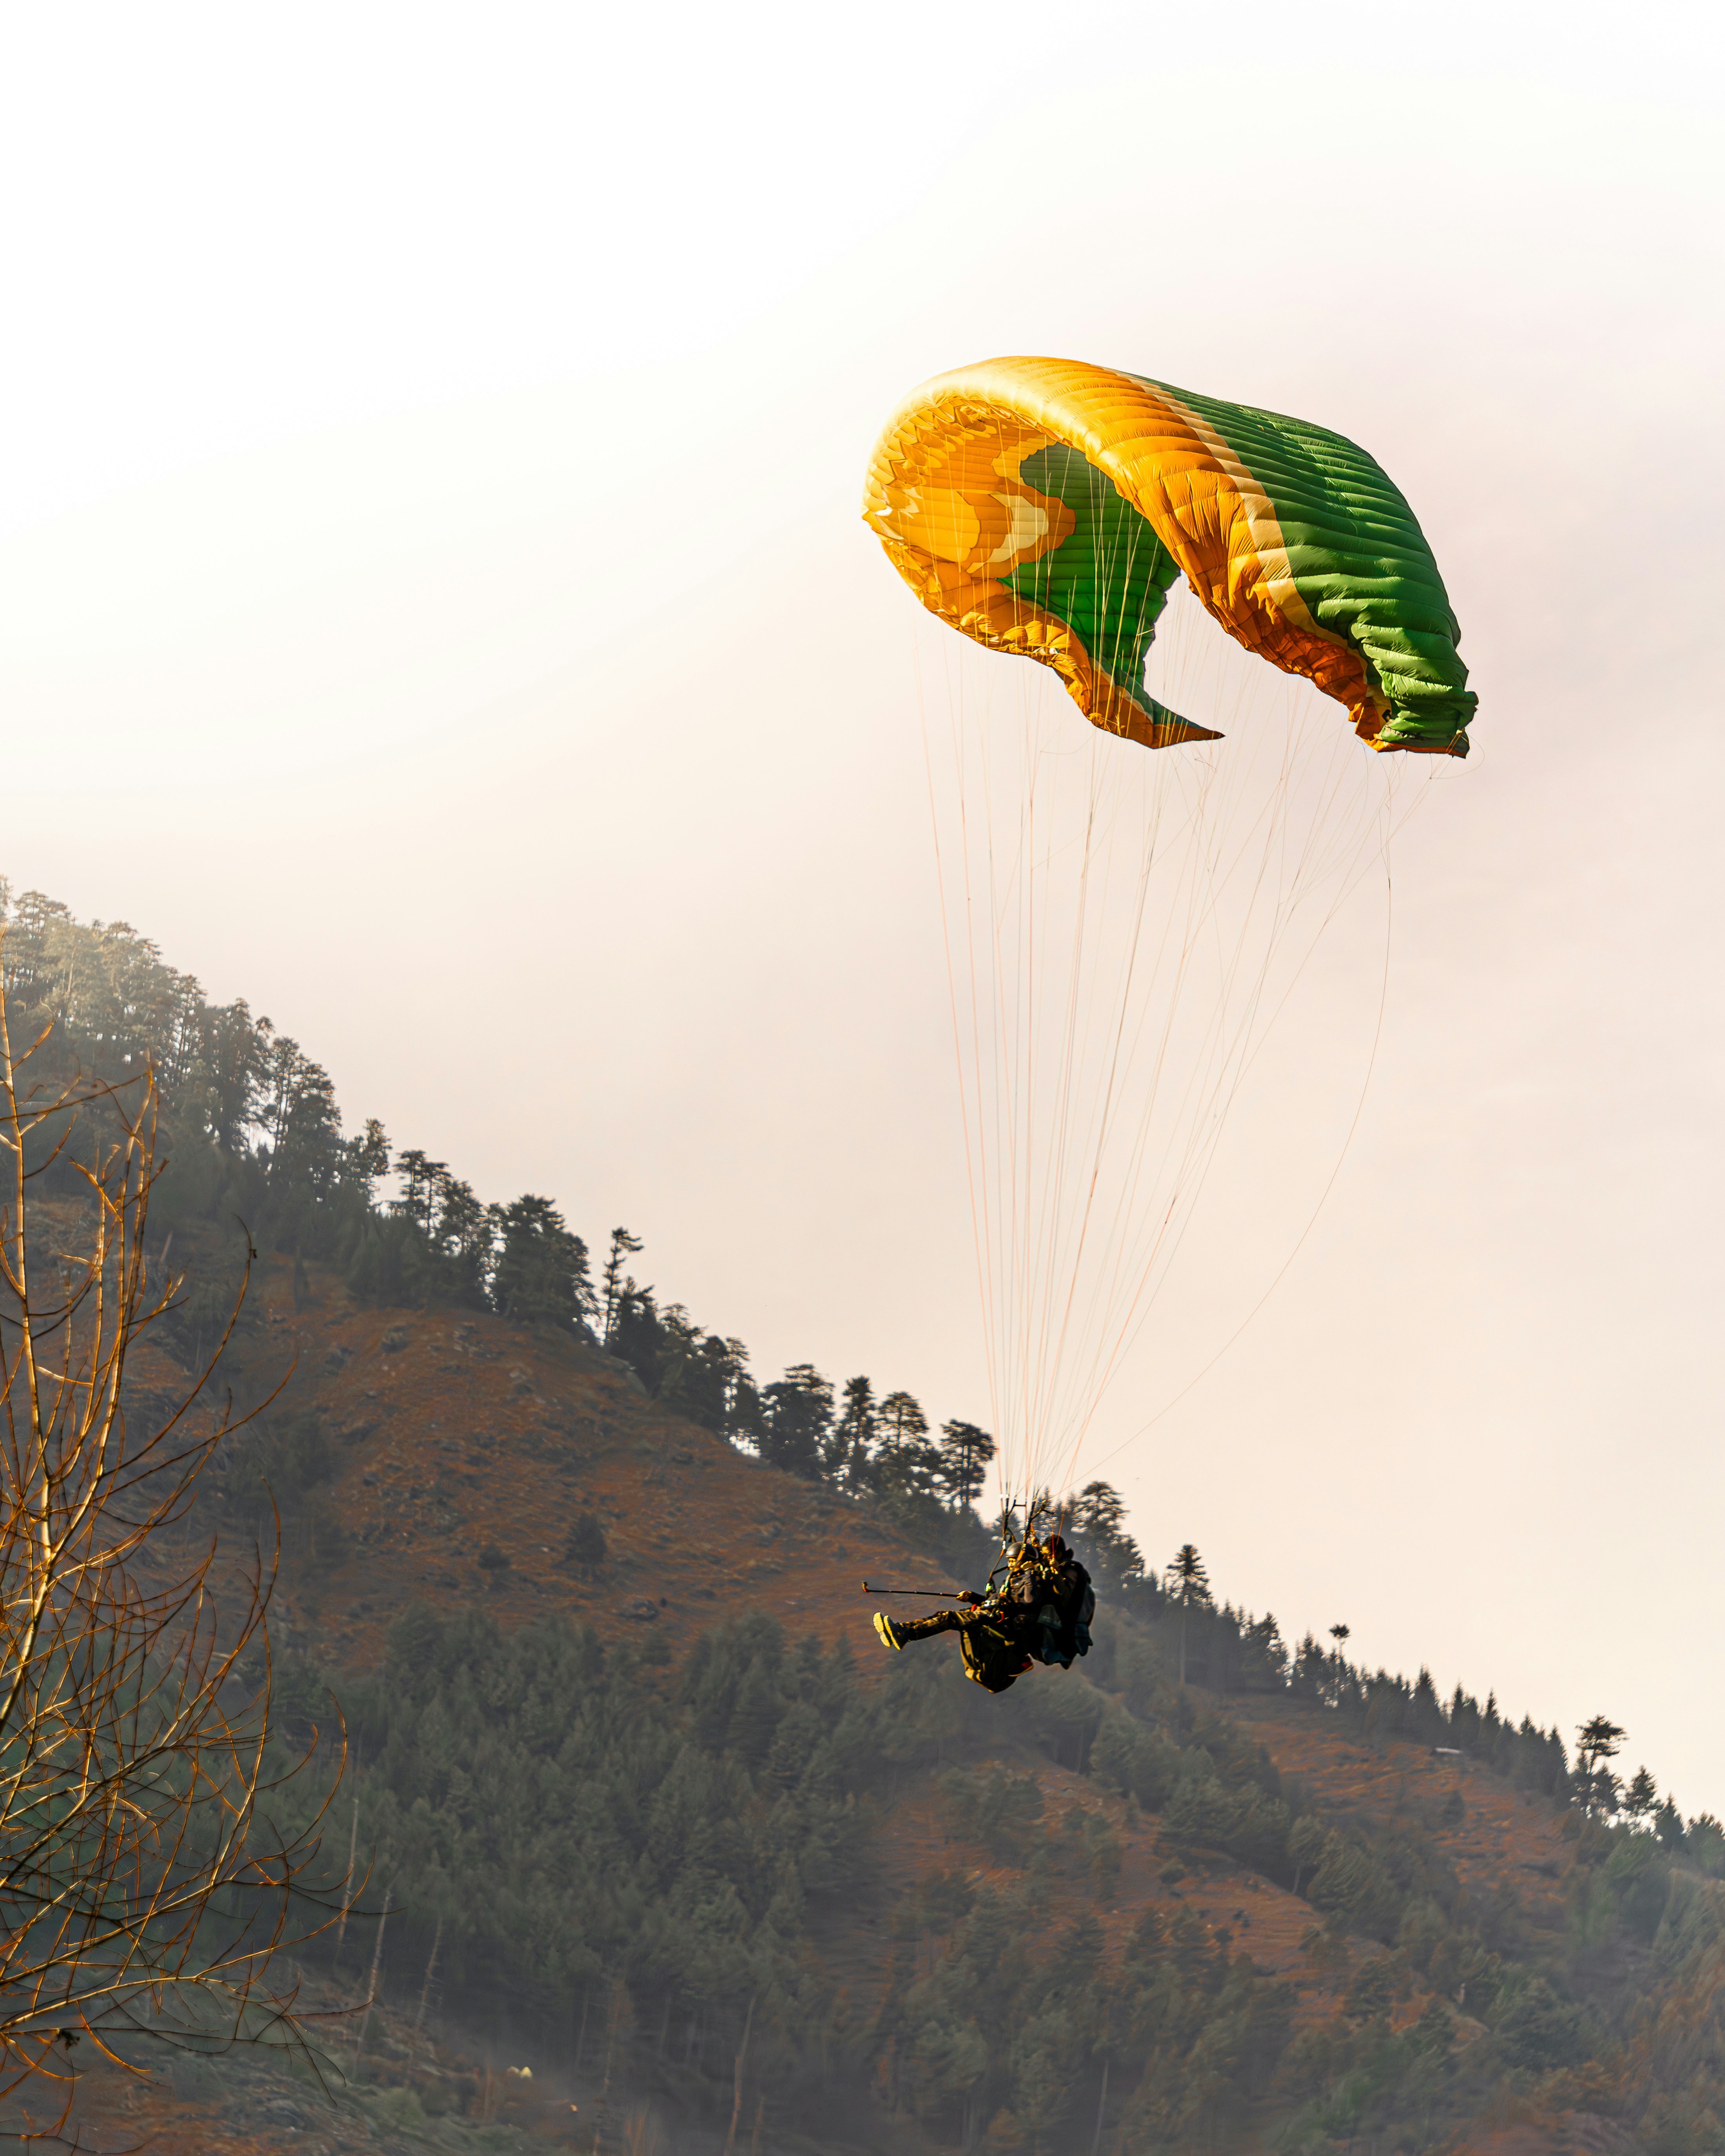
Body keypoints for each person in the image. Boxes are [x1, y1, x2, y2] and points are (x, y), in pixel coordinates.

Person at [872, 1533, 1094, 1694]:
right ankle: (903, 1631)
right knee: (950, 1615)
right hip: (1002, 1618)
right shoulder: (1023, 1576)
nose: (1008, 1565)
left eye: (1011, 1561)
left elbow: (1030, 1602)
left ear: (1023, 1560)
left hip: (1011, 1626)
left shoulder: (1032, 1576)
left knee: (951, 1619)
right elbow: (1006, 1601)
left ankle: (904, 1633)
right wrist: (977, 1598)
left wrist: (1011, 1597)